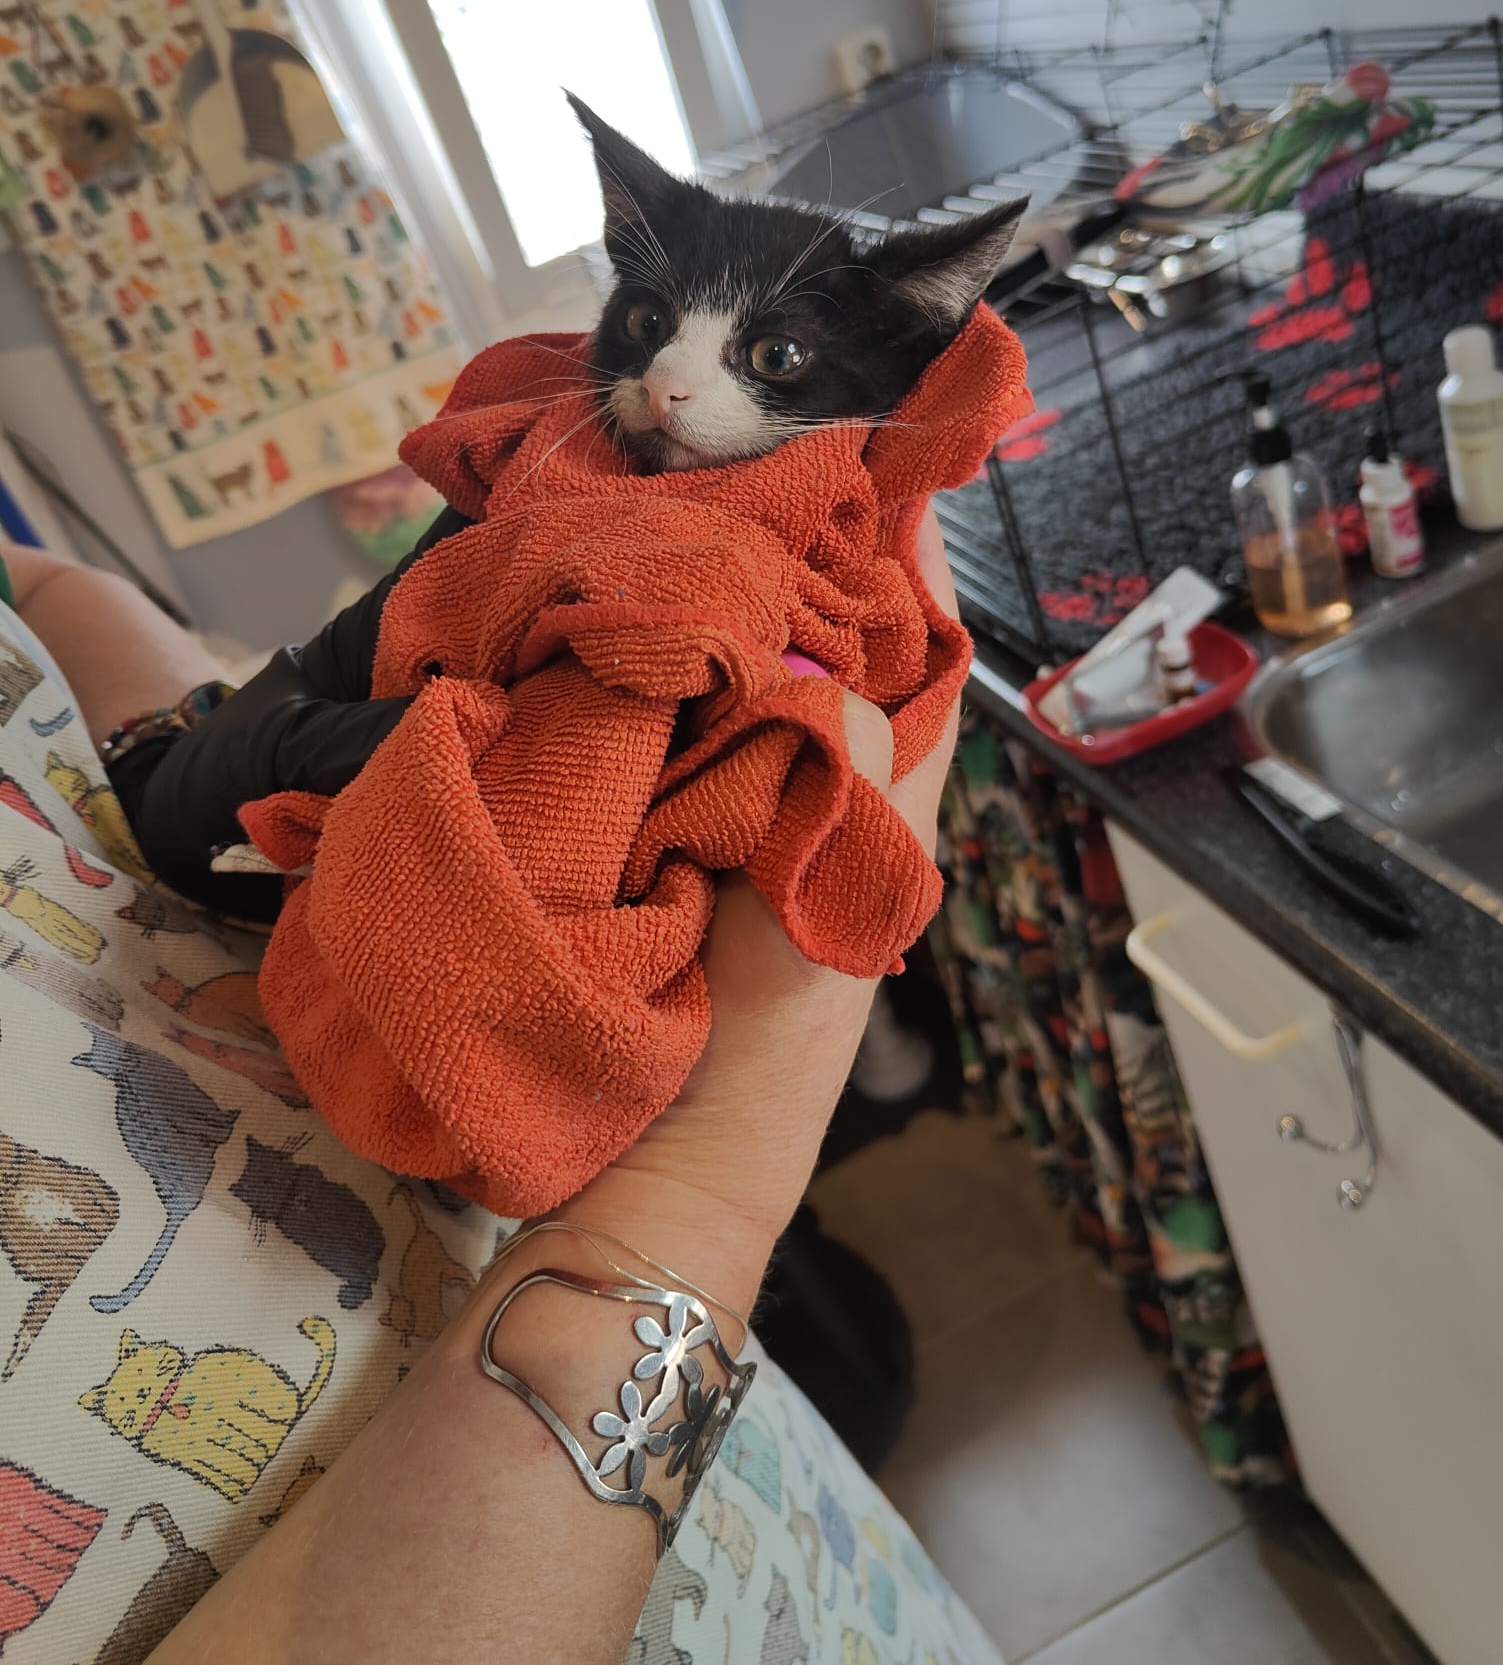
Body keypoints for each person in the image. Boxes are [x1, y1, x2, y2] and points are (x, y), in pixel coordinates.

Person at [0, 521, 998, 1665]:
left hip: (698, 1441)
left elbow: (36, 586)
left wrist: (188, 755)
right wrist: (705, 1178)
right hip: (618, 1338)